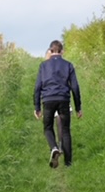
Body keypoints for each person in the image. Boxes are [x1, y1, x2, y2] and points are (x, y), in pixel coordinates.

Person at [34, 40, 82, 168]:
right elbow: (75, 87)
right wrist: (78, 108)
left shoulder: (43, 66)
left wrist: (37, 107)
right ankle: (68, 163)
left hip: (48, 100)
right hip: (63, 99)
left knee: (48, 128)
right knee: (65, 130)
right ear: (62, 51)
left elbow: (38, 87)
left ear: (50, 51)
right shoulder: (68, 65)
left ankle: (54, 148)